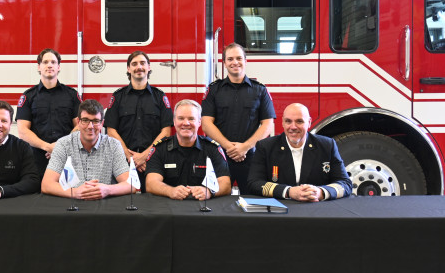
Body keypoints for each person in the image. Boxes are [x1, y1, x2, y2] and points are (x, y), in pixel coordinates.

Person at [201, 43, 276, 194]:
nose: (235, 62)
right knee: (217, 200)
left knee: (252, 200)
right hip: (221, 156)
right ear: (224, 63)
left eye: (239, 58)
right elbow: (206, 123)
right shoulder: (214, 90)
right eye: (230, 59)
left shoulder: (260, 90)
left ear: (245, 61)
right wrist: (229, 147)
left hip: (251, 157)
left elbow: (268, 124)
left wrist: (245, 147)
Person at [246, 103, 352, 201]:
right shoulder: (266, 146)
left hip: (316, 207)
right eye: (288, 121)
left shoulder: (327, 145)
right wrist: (288, 191)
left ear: (309, 122)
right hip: (282, 207)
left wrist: (321, 192)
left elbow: (345, 183)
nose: (293, 127)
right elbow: (254, 183)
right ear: (283, 123)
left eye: (299, 121)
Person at [105, 51, 173, 191]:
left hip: (154, 160)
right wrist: (129, 156)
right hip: (123, 160)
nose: (139, 67)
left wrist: (145, 155)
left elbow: (166, 131)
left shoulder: (160, 97)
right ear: (128, 69)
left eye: (142, 63)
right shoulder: (117, 97)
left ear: (149, 67)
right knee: (124, 199)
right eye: (134, 64)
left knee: (154, 198)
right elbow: (111, 130)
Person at [41, 99, 134, 200]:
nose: (90, 126)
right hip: (71, 205)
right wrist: (75, 192)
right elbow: (46, 185)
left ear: (102, 123)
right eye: (85, 120)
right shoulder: (63, 144)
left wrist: (107, 190)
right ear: (78, 122)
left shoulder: (113, 145)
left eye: (96, 121)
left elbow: (131, 185)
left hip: (104, 206)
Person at [146, 99, 231, 200]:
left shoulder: (212, 148)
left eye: (191, 119)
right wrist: (170, 191)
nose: (186, 123)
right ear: (174, 121)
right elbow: (151, 183)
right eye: (181, 118)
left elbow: (225, 184)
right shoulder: (160, 149)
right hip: (169, 206)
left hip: (202, 207)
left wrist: (209, 191)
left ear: (199, 122)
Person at [17, 48, 81, 172]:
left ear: (58, 67)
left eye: (53, 62)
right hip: (36, 160)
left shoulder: (72, 95)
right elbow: (22, 131)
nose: (49, 65)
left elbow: (80, 125)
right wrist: (47, 147)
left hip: (68, 157)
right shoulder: (28, 96)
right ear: (39, 67)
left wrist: (61, 147)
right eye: (45, 62)